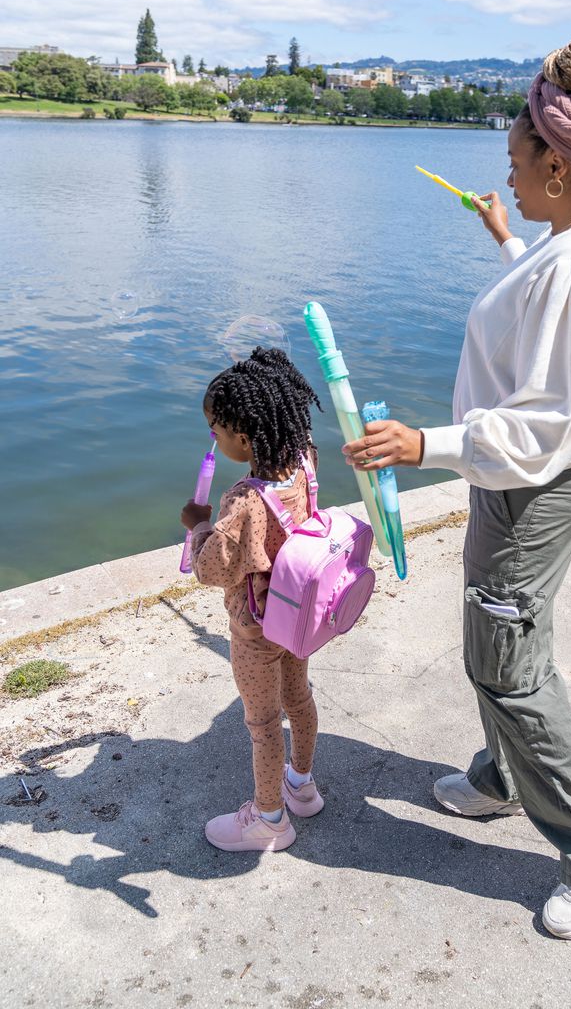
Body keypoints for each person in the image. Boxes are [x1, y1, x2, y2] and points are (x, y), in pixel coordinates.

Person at [342, 33, 571, 939]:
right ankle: (506, 779)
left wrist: (422, 444)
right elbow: (541, 302)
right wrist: (508, 235)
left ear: (558, 164)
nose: (508, 176)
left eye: (518, 164)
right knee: (499, 637)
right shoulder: (570, 243)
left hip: (537, 481)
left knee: (507, 666)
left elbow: (543, 422)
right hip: (519, 479)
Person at [180, 346, 325, 853]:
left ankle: (269, 820)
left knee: (263, 723)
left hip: (257, 630)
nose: (213, 440)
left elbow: (213, 569)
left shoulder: (243, 499)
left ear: (243, 437)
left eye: (217, 432)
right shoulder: (305, 457)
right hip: (301, 614)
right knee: (299, 699)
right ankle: (302, 787)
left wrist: (198, 526)